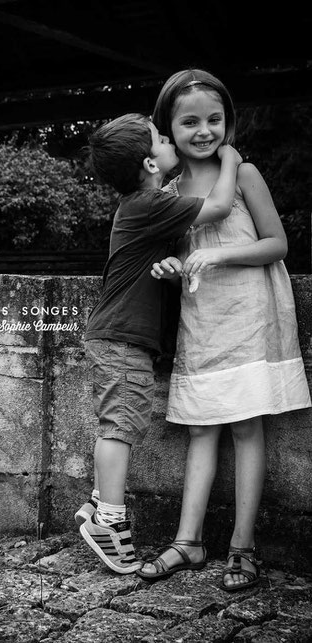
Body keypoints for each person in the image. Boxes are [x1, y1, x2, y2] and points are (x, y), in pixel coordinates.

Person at [137, 69, 311, 590]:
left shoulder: (246, 174)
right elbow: (175, 257)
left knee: (246, 428)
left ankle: (243, 546)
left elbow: (277, 244)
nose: (204, 130)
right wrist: (169, 267)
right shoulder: (167, 191)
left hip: (251, 319)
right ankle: (188, 542)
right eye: (189, 121)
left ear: (228, 122)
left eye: (214, 119)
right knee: (200, 430)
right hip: (202, 324)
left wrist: (220, 253)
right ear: (168, 127)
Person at [77, 112, 242, 574]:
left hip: (118, 334)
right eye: (164, 139)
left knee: (119, 422)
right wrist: (229, 158)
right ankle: (110, 519)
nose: (172, 142)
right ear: (152, 164)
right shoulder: (148, 204)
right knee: (121, 426)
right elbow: (221, 206)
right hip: (122, 336)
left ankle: (97, 504)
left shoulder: (142, 206)